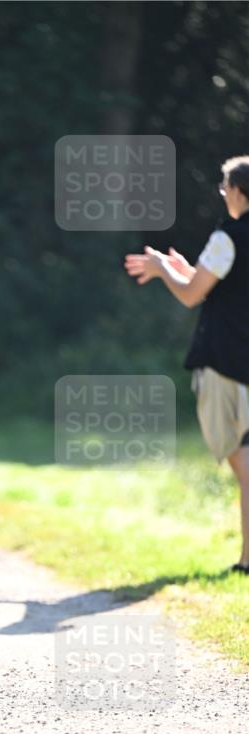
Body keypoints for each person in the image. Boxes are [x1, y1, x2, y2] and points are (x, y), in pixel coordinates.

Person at [124, 155, 249, 575]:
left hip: (226, 361)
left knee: (240, 458)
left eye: (224, 187)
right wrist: (187, 270)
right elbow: (218, 284)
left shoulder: (227, 237)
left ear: (235, 191)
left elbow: (193, 295)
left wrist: (162, 270)